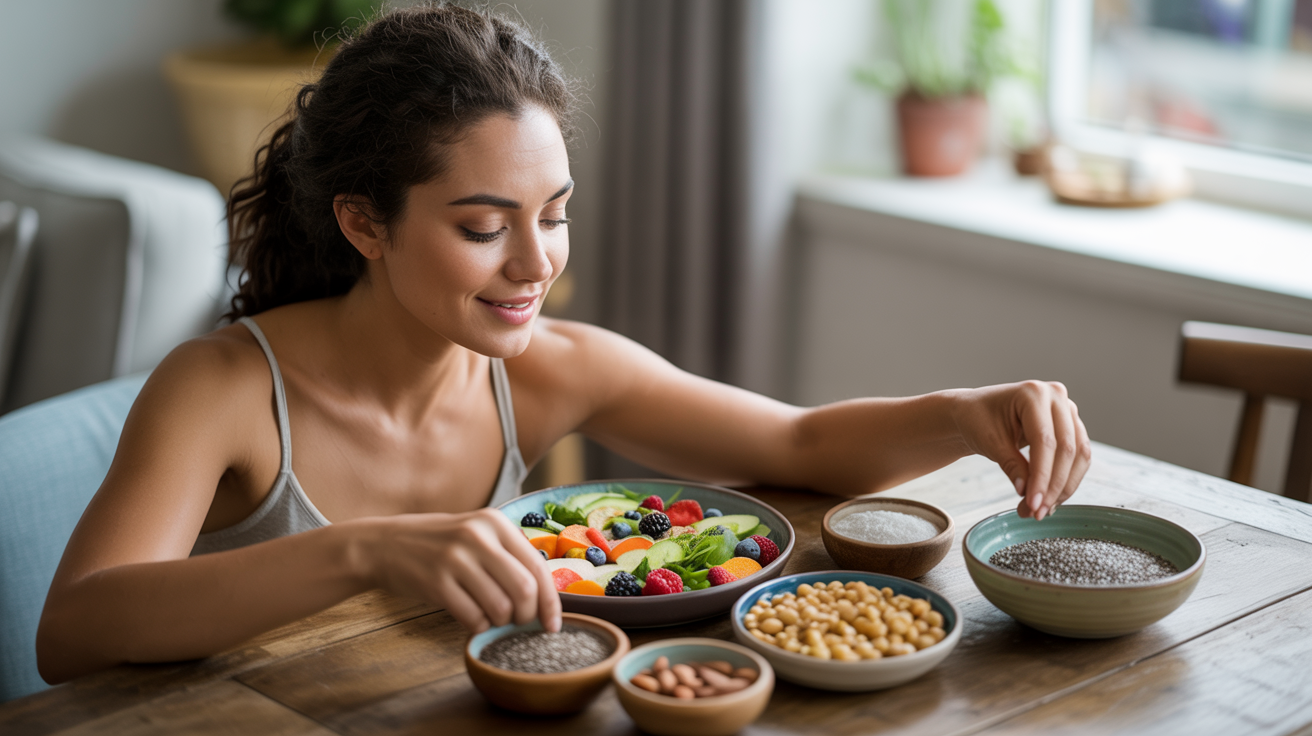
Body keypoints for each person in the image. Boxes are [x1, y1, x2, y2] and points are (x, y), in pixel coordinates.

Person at [36, 4, 1091, 684]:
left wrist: (962, 412)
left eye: (555, 212)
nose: (534, 262)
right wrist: (364, 548)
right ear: (364, 223)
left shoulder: (544, 369)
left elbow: (802, 444)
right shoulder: (221, 387)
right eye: (483, 226)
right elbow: (75, 626)